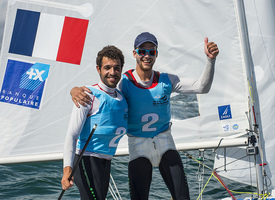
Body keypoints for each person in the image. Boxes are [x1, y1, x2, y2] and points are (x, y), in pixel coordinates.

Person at [70, 32, 219, 200]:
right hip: (138, 145)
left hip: (165, 143)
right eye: (142, 51)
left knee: (182, 197)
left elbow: (202, 87)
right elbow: (100, 88)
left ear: (156, 54)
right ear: (135, 53)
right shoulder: (123, 81)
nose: (147, 56)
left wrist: (210, 60)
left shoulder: (166, 80)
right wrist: (74, 90)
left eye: (151, 52)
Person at [61, 45, 128, 200]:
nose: (112, 72)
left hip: (106, 162)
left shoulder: (123, 99)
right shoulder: (87, 95)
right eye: (107, 68)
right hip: (86, 160)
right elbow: (72, 135)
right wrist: (67, 171)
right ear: (98, 69)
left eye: (117, 68)